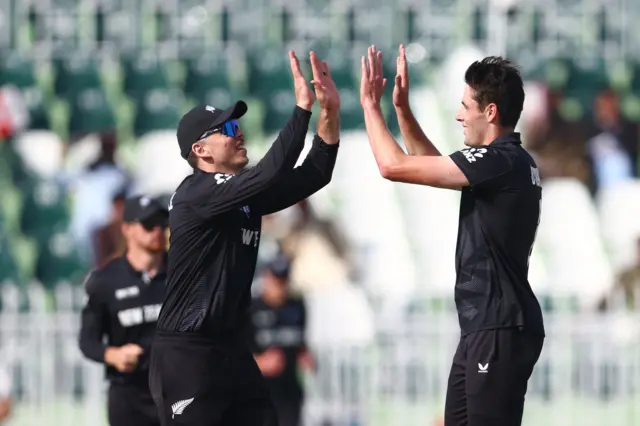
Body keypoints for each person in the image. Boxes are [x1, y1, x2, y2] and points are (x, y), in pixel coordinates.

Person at [149, 50, 340, 426]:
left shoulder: (241, 197)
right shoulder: (196, 192)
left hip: (231, 351)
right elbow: (271, 172)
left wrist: (329, 113)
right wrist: (302, 109)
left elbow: (316, 173)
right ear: (200, 151)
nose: (239, 135)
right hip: (189, 352)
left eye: (238, 128)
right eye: (229, 130)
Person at [359, 45, 545, 426]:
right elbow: (429, 165)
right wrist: (402, 111)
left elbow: (393, 166)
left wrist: (369, 106)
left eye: (465, 106)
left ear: (490, 111)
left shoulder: (501, 161)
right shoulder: (505, 163)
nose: (458, 115)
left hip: (498, 324)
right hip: (487, 326)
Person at [79, 195, 169, 426]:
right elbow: (88, 341)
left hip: (175, 392)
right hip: (129, 394)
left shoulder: (182, 273)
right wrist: (114, 356)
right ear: (127, 229)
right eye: (149, 224)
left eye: (162, 223)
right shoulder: (105, 280)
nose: (157, 230)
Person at [248, 255, 314, 426]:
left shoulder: (296, 306)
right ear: (266, 277)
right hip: (260, 393)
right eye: (276, 279)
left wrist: (304, 356)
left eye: (284, 280)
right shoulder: (251, 309)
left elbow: (300, 341)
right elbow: (235, 353)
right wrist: (260, 363)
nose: (280, 286)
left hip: (289, 390)